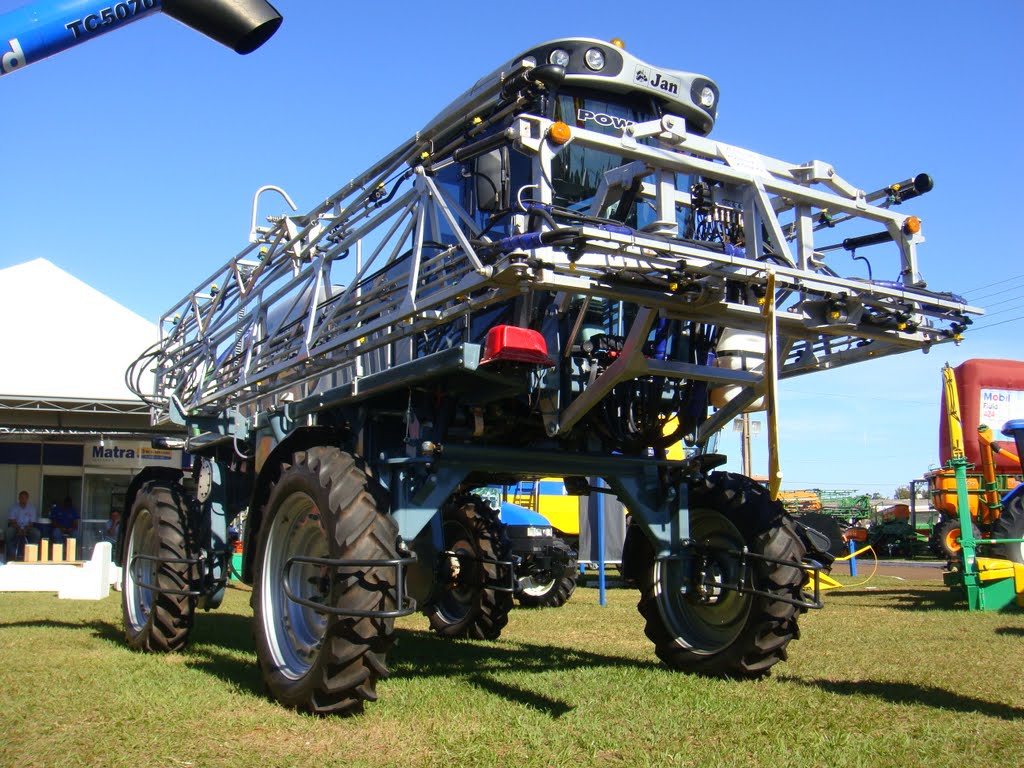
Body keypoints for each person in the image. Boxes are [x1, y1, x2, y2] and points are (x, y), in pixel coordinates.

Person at [4, 490, 42, 562]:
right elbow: (12, 521)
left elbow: (32, 522)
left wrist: (25, 529)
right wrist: (18, 529)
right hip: (15, 527)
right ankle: (11, 554)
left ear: (27, 498)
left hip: (28, 528)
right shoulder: (13, 507)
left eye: (24, 498)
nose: (22, 499)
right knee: (8, 532)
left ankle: (31, 553)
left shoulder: (32, 508)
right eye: (21, 497)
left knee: (36, 533)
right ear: (19, 498)